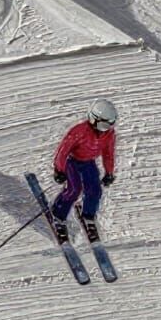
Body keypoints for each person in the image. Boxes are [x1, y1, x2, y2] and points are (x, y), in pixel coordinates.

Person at [50, 99, 118, 242]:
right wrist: (59, 169)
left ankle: (88, 215)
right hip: (72, 162)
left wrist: (109, 172)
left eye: (109, 125)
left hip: (88, 163)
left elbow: (108, 154)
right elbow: (63, 150)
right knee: (74, 189)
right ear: (93, 119)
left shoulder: (109, 135)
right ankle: (58, 214)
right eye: (103, 125)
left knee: (95, 190)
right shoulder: (79, 131)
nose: (105, 129)